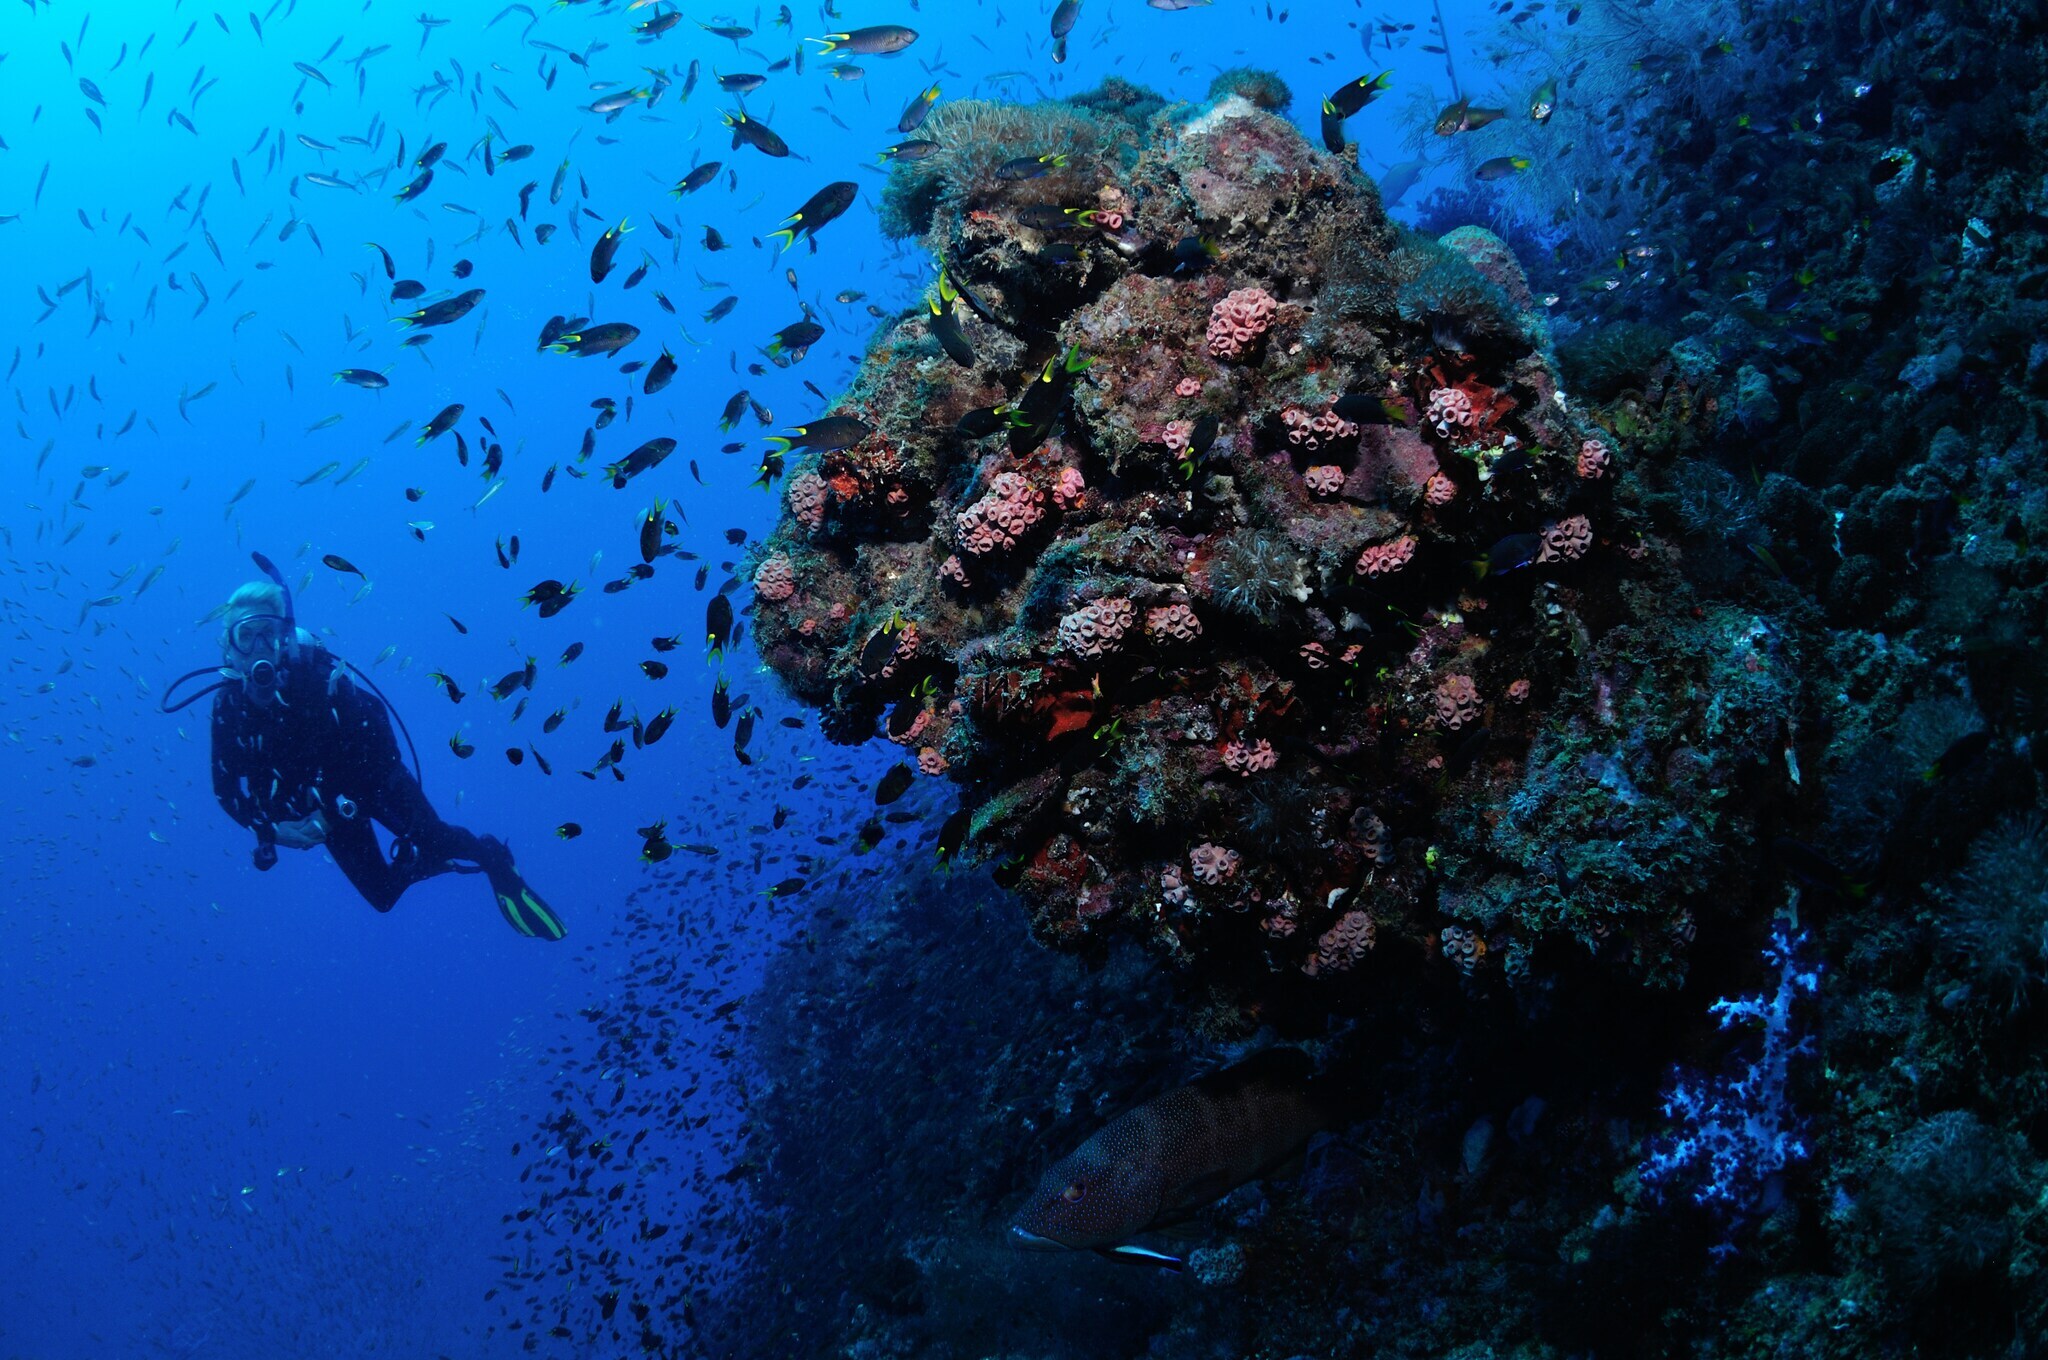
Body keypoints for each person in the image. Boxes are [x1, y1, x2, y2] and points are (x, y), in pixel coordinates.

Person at [201, 569, 564, 940]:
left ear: (283, 637)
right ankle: (423, 862)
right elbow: (225, 790)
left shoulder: (317, 676)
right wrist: (271, 831)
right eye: (246, 636)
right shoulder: (228, 708)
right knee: (382, 897)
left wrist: (332, 815)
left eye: (268, 632)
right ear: (228, 648)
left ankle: (493, 859)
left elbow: (383, 746)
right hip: (323, 808)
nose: (258, 646)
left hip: (374, 781)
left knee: (435, 838)